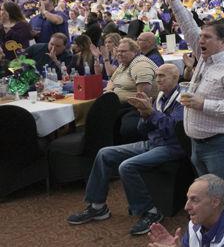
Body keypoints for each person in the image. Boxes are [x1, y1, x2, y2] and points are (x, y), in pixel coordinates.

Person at [165, 0, 224, 218]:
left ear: (223, 42)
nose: (200, 40)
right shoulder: (204, 57)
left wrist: (203, 104)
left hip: (222, 145)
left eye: (207, 37)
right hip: (198, 144)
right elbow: (188, 25)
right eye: (201, 37)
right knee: (209, 200)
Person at [67, 64, 185, 235]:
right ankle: (97, 206)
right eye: (157, 76)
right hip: (153, 143)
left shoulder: (181, 100)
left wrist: (150, 112)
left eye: (162, 76)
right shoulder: (159, 96)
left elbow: (173, 130)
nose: (158, 79)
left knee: (127, 166)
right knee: (104, 153)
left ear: (175, 78)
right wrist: (144, 115)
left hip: (171, 147)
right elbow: (142, 130)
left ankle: (150, 212)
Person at [147, 174, 224, 247]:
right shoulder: (197, 222)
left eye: (194, 200)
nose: (186, 207)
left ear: (215, 202)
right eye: (187, 199)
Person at [105, 38, 158, 143]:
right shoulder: (124, 64)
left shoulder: (140, 65)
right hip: (121, 105)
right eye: (118, 51)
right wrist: (109, 90)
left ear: (135, 52)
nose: (119, 54)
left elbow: (142, 96)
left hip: (136, 108)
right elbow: (112, 79)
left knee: (127, 129)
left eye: (123, 51)